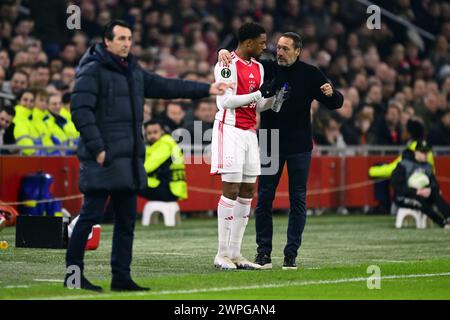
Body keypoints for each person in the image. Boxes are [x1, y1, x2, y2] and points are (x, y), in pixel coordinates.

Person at [66, 20, 229, 292]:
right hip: (103, 159)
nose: (126, 43)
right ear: (107, 41)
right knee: (88, 218)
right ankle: (73, 276)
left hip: (129, 161)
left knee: (126, 222)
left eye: (129, 38)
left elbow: (166, 86)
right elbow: (80, 111)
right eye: (120, 38)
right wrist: (98, 149)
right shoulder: (92, 70)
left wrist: (206, 89)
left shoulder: (133, 70)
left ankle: (121, 278)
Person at [219, 31, 343, 270]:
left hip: (299, 145)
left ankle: (290, 254)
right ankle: (263, 253)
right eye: (278, 47)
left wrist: (333, 93)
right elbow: (240, 58)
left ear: (298, 51)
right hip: (269, 141)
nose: (280, 52)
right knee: (264, 198)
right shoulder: (266, 67)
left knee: (298, 200)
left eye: (286, 49)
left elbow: (336, 103)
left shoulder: (310, 73)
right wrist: (222, 52)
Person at [211, 22, 278, 271]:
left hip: (250, 133)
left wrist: (273, 99)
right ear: (248, 43)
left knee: (248, 190)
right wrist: (257, 95)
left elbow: (256, 105)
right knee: (230, 188)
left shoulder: (258, 68)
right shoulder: (227, 64)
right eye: (261, 43)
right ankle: (221, 253)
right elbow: (225, 100)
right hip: (229, 130)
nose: (264, 47)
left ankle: (236, 253)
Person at [391, 140, 450, 229]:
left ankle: (448, 217)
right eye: (423, 152)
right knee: (419, 202)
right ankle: (442, 223)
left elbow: (434, 183)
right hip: (405, 197)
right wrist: (416, 191)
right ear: (416, 152)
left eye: (427, 152)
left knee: (436, 193)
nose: (425, 154)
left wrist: (430, 189)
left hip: (423, 194)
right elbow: (396, 185)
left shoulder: (428, 166)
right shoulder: (403, 165)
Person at [139, 119, 187, 202]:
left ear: (162, 132)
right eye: (149, 133)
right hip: (172, 188)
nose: (152, 136)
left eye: (155, 132)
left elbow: (148, 167)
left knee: (129, 184)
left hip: (169, 189)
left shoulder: (166, 144)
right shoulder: (156, 145)